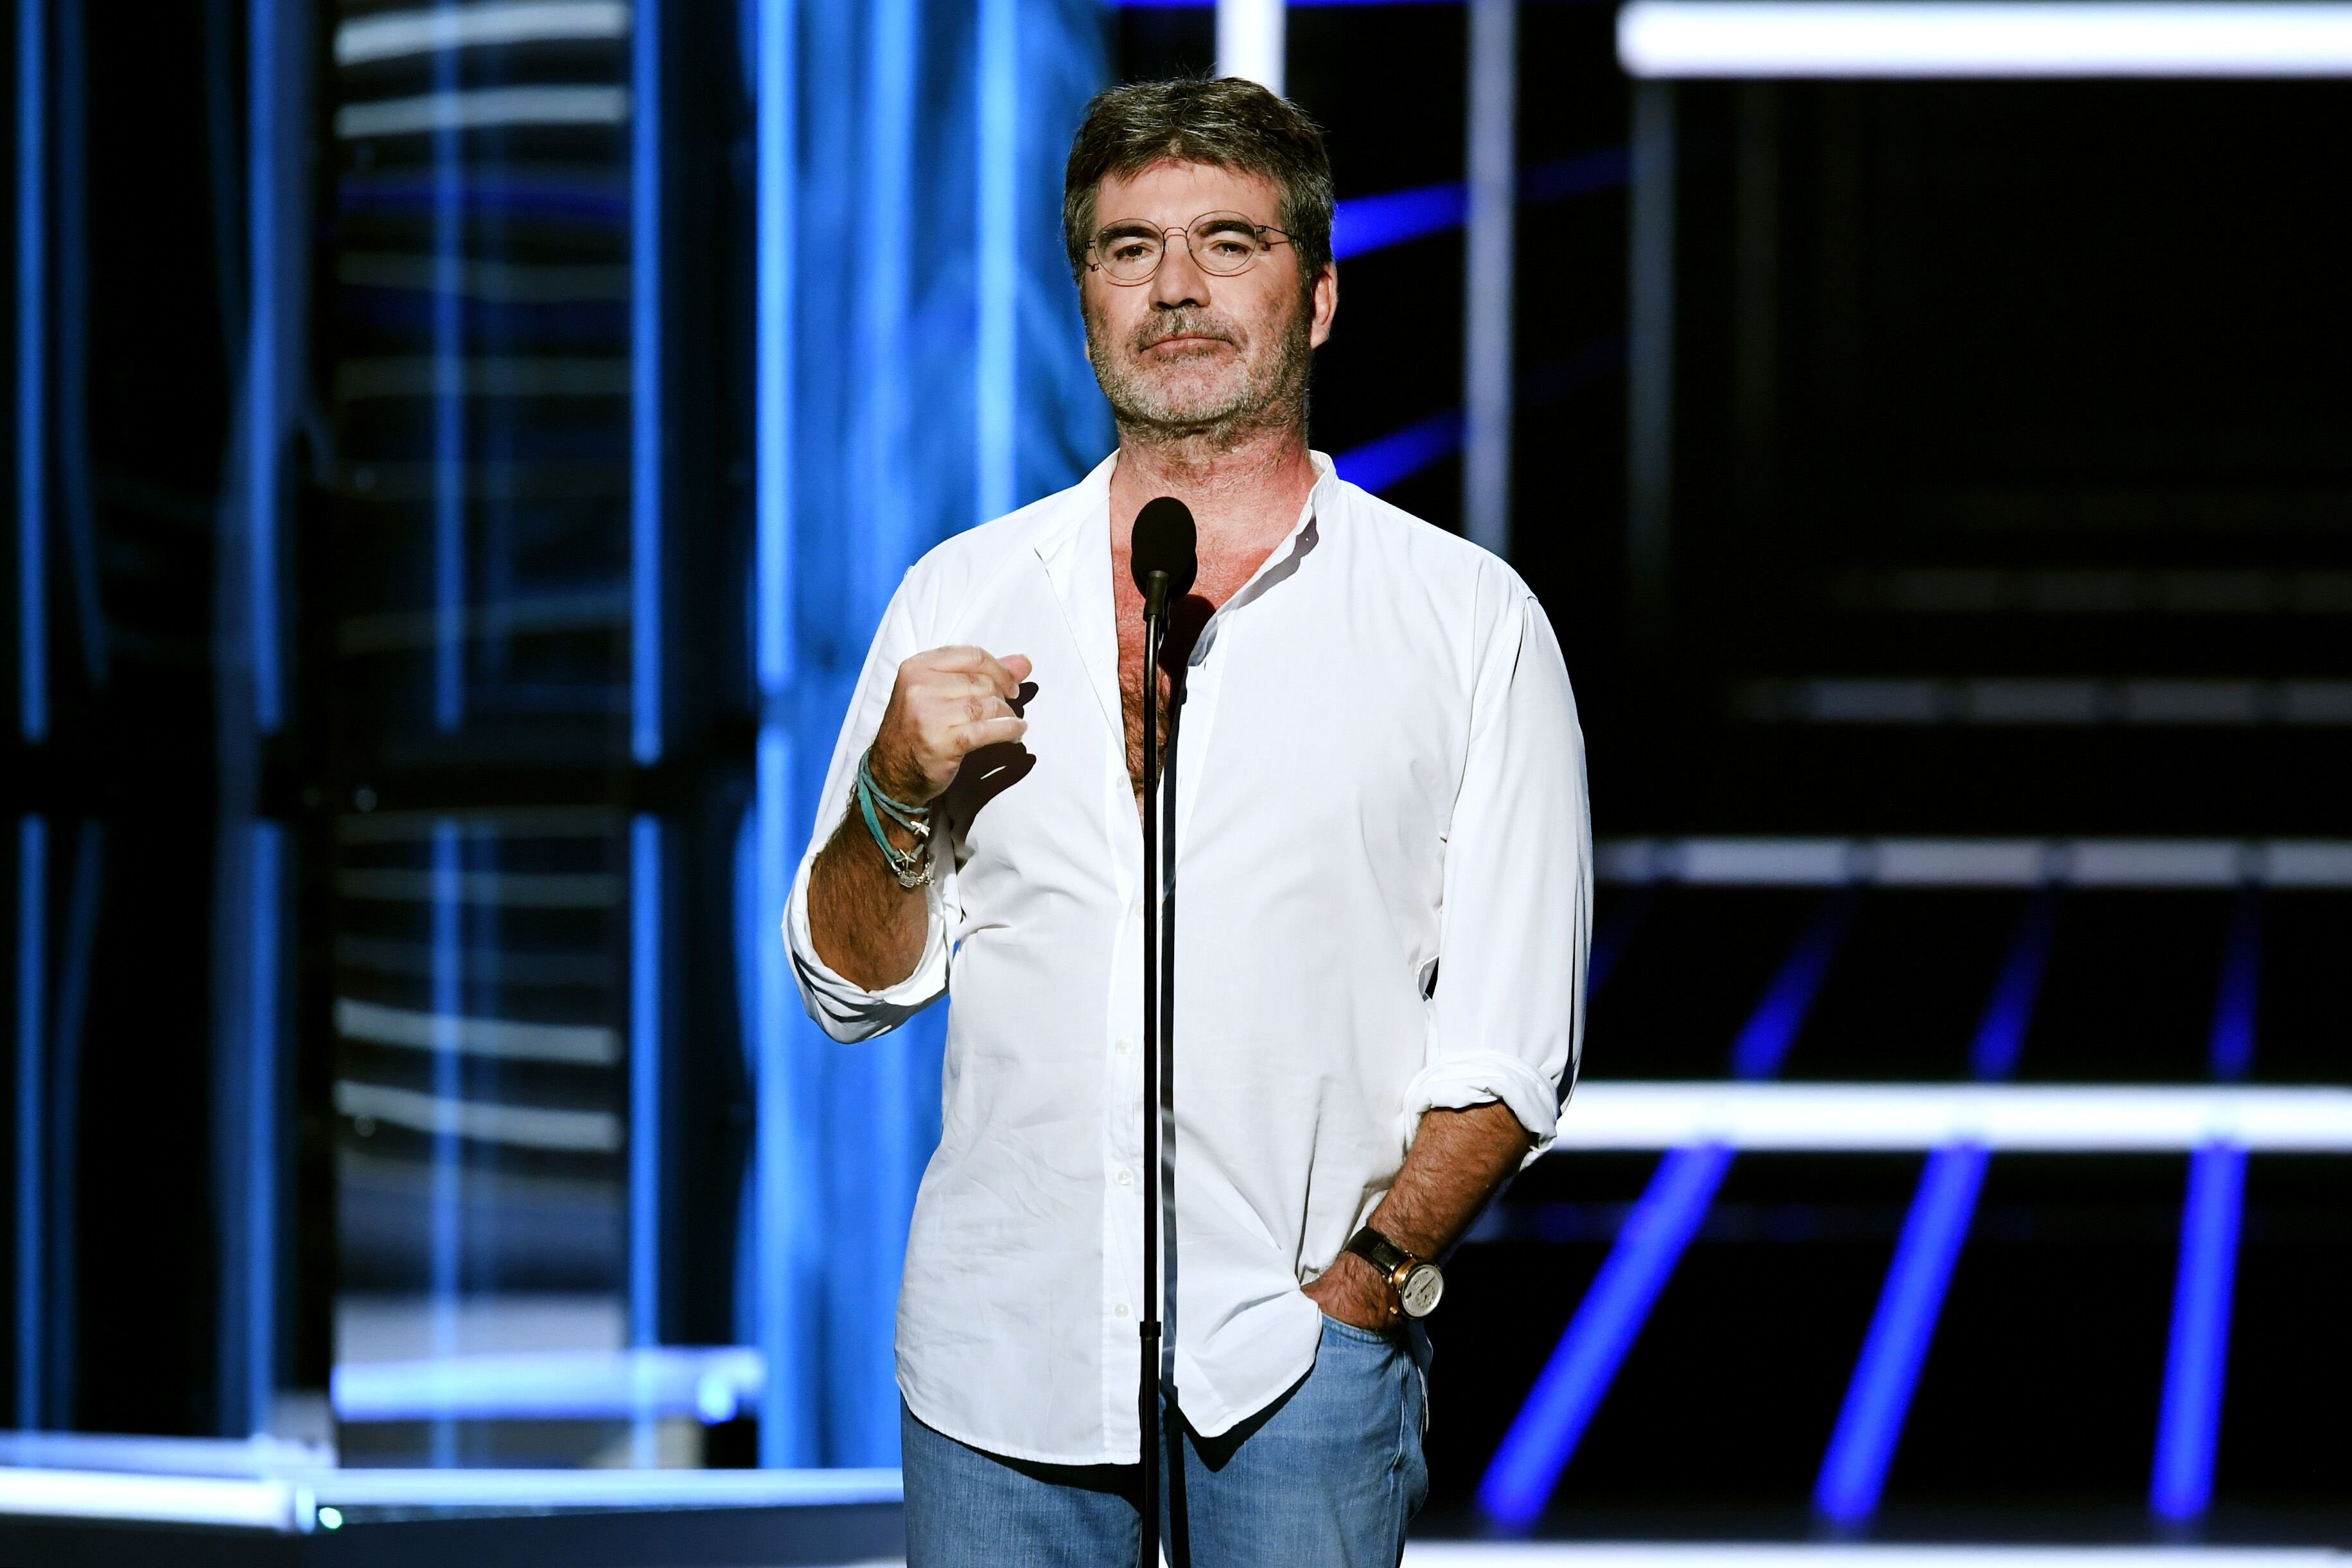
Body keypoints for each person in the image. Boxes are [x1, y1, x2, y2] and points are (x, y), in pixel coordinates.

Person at [788, 76, 1589, 1567]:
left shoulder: (1462, 621)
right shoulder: (962, 594)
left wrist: (1365, 1289)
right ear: (1084, 299)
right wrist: (895, 791)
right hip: (994, 1369)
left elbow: (1513, 1043)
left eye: (1229, 243)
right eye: (1127, 249)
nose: (1176, 290)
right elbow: (849, 983)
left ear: (1321, 295)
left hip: (1296, 1371)